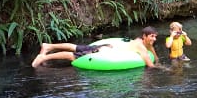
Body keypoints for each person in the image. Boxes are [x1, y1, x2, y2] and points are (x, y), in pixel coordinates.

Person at [31, 27, 160, 68]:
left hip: (107, 46)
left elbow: (150, 48)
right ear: (144, 36)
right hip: (104, 52)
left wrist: (156, 57)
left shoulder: (139, 40)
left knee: (76, 47)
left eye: (155, 37)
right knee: (73, 56)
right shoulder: (142, 48)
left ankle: (48, 46)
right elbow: (150, 66)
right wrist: (165, 69)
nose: (154, 39)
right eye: (152, 36)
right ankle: (43, 57)